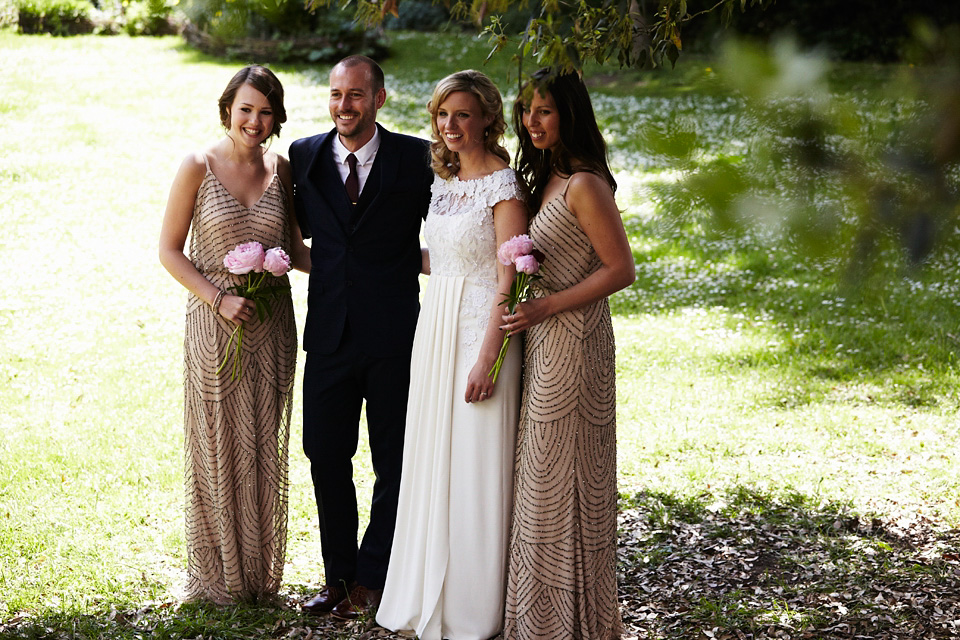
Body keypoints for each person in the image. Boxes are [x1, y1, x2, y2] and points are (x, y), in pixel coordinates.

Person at [376, 70, 527, 640]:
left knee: (474, 459)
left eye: (462, 114)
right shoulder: (442, 181)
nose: (450, 125)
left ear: (487, 116)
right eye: (443, 115)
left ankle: (472, 606)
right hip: (435, 325)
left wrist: (489, 355)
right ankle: (421, 589)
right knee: (432, 454)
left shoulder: (504, 186)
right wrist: (379, 254)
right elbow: (440, 258)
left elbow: (507, 280)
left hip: (481, 330)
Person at [288, 55, 434, 620]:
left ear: (378, 98)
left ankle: (376, 576)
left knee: (393, 461)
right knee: (325, 456)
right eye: (334, 95)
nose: (343, 105)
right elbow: (308, 237)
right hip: (327, 335)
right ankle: (339, 577)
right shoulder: (303, 156)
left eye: (354, 95)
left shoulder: (416, 158)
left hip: (395, 333)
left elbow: (448, 223)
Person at [159, 65, 310, 604]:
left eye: (265, 111)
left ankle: (256, 575)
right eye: (246, 108)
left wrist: (369, 260)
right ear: (228, 109)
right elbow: (170, 251)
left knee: (262, 446)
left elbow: (296, 252)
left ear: (276, 118)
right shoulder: (197, 166)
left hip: (271, 328)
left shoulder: (284, 169)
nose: (254, 120)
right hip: (213, 324)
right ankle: (217, 574)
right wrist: (219, 298)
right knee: (219, 443)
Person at [501, 69, 635, 639]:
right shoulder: (545, 178)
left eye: (545, 111)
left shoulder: (584, 184)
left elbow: (621, 270)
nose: (533, 121)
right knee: (540, 474)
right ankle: (541, 617)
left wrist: (548, 305)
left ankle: (567, 623)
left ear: (569, 114)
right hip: (541, 337)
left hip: (574, 341)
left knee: (559, 475)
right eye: (527, 110)